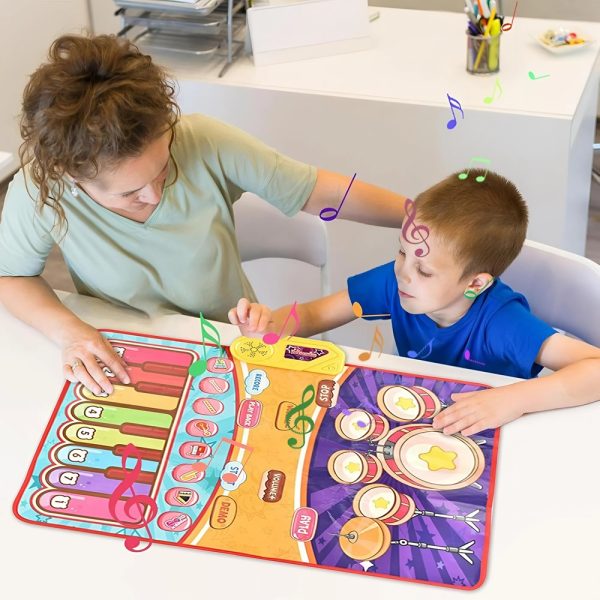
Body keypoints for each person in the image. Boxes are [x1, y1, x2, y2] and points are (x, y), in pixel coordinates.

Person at [0, 34, 407, 397]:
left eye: (163, 169)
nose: (154, 194)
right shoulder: (40, 189)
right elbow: (10, 277)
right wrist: (68, 331)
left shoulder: (204, 140)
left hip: (232, 347)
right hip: (127, 358)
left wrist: (418, 217)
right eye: (129, 193)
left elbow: (319, 192)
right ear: (72, 176)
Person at [228, 169, 600, 436]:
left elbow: (595, 368)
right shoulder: (398, 282)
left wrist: (512, 400)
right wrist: (269, 326)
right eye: (402, 251)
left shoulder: (502, 323)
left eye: (424, 270)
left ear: (475, 283)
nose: (404, 273)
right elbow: (313, 314)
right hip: (417, 417)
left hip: (491, 432)